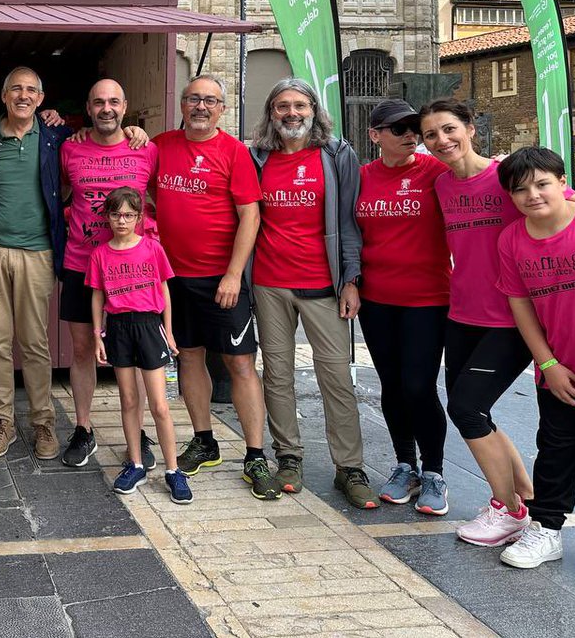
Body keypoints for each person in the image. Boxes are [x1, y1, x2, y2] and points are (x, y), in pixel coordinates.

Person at [421, 99, 575, 545]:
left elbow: (570, 206)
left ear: (471, 128)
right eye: (431, 135)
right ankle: (523, 497)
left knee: (466, 409)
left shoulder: (510, 175)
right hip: (461, 314)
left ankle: (508, 510)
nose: (442, 141)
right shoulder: (443, 185)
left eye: (450, 129)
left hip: (510, 319)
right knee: (477, 410)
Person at [249, 78, 378, 510]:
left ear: (313, 109)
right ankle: (288, 457)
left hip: (324, 285)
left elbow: (349, 222)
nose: (291, 113)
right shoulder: (257, 157)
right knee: (278, 376)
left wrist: (351, 279)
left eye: (299, 105)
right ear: (271, 112)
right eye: (282, 105)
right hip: (269, 282)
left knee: (337, 379)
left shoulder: (337, 155)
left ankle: (350, 467)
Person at [152, 76, 279, 500]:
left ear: (222, 108)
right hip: (174, 279)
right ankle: (205, 441)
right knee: (189, 357)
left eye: (210, 100)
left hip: (220, 280)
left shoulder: (234, 152)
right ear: (182, 105)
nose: (201, 107)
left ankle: (255, 454)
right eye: (193, 99)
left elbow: (251, 217)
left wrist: (232, 274)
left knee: (240, 364)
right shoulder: (162, 144)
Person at [0, 67, 71, 460]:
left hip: (39, 252)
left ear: (41, 99)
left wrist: (133, 131)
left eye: (31, 91)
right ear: (4, 96)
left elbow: (92, 147)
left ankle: (43, 423)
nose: (23, 96)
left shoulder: (57, 136)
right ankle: (2, 422)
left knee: (36, 343)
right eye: (16, 90)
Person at [495, 147, 575, 578]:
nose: (532, 195)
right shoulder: (512, 240)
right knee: (555, 448)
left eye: (541, 184)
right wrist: (548, 365)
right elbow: (522, 308)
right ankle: (548, 527)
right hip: (557, 367)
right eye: (520, 190)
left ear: (561, 181)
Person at [355, 100, 452, 515]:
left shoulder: (437, 172)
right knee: (391, 386)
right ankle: (404, 465)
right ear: (375, 135)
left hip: (428, 300)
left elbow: (486, 180)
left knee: (419, 385)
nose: (410, 135)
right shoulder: (360, 178)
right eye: (398, 129)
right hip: (376, 301)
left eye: (415, 128)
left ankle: (434, 472)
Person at [59, 79, 159, 470]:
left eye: (113, 102)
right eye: (98, 101)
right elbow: (62, 193)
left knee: (132, 355)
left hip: (132, 272)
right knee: (82, 350)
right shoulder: (70, 149)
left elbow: (160, 202)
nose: (106, 108)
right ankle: (84, 429)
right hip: (80, 265)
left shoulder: (146, 148)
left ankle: (138, 432)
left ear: (125, 106)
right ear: (88, 107)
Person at [87, 187, 191, 504]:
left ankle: (174, 471)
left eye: (129, 215)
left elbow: (165, 291)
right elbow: (97, 295)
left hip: (149, 325)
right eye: (116, 214)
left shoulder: (152, 249)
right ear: (107, 217)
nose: (122, 220)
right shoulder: (100, 254)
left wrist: (169, 332)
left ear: (139, 217)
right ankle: (135, 464)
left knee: (159, 404)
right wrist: (97, 334)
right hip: (118, 327)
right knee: (129, 400)